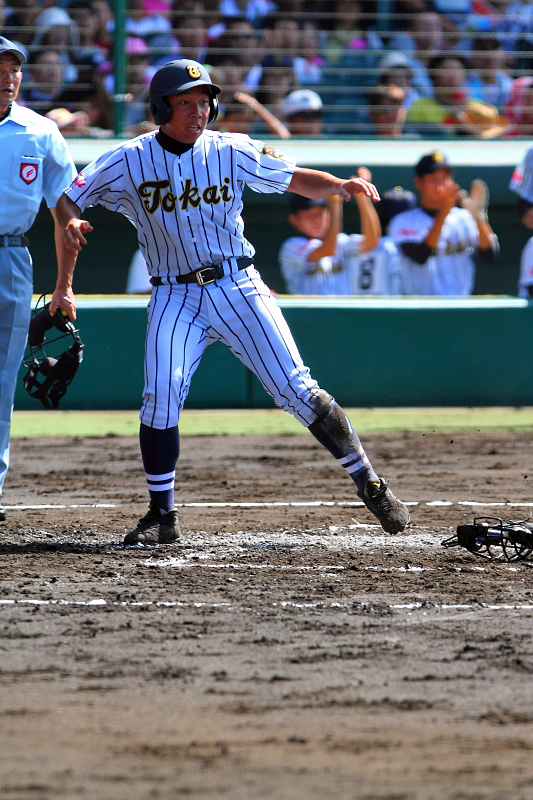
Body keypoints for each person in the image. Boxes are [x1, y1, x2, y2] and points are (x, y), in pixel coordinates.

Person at [51, 58, 410, 544]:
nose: (198, 111)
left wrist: (338, 186)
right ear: (161, 107)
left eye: (204, 101)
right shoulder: (129, 158)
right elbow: (68, 197)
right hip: (174, 293)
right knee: (160, 396)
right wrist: (71, 222)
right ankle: (162, 515)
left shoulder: (231, 149)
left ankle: (369, 480)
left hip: (238, 285)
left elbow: (295, 177)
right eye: (185, 102)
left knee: (296, 389)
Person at [0, 36, 77, 520]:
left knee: (2, 381)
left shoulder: (39, 130)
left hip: (11, 258)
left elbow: (64, 210)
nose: (8, 77)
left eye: (14, 69)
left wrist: (64, 285)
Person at [389, 151, 499, 296]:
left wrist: (479, 218)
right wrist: (445, 209)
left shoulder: (464, 217)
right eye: (433, 178)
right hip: (420, 309)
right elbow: (420, 256)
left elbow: (490, 256)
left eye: (445, 177)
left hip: (460, 306)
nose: (440, 184)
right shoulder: (403, 221)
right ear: (418, 182)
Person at [279, 166, 380, 295]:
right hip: (310, 313)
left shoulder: (341, 241)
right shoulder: (291, 246)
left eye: (320, 213)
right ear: (295, 220)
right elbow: (327, 250)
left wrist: (362, 198)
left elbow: (371, 241)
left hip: (343, 312)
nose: (316, 220)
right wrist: (335, 204)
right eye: (310, 215)